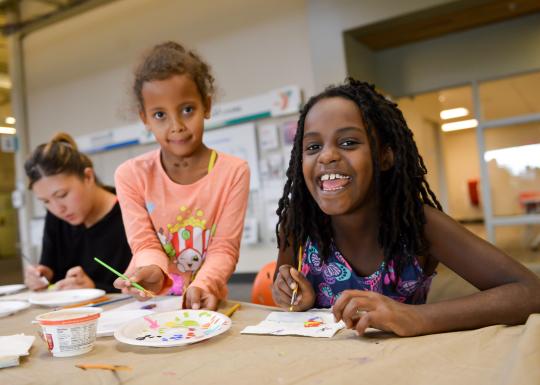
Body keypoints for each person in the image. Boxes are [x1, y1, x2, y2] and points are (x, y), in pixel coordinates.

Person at [272, 78, 540, 336]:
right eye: (313, 146)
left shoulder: (417, 224)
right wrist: (295, 298)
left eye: (348, 142)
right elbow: (288, 299)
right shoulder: (297, 224)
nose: (327, 155)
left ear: (385, 156)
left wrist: (417, 317)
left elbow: (530, 292)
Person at [113, 41, 250, 310]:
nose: (176, 127)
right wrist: (153, 270)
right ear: (145, 118)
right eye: (160, 115)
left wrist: (204, 284)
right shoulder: (130, 175)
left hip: (205, 302)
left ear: (206, 106)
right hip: (152, 304)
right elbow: (144, 242)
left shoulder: (233, 172)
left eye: (187, 110)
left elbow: (224, 247)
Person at [24, 132, 132, 292]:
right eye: (45, 202)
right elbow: (50, 269)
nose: (57, 209)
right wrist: (43, 276)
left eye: (62, 195)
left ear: (88, 176)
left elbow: (146, 287)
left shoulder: (130, 211)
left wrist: (95, 289)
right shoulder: (56, 216)